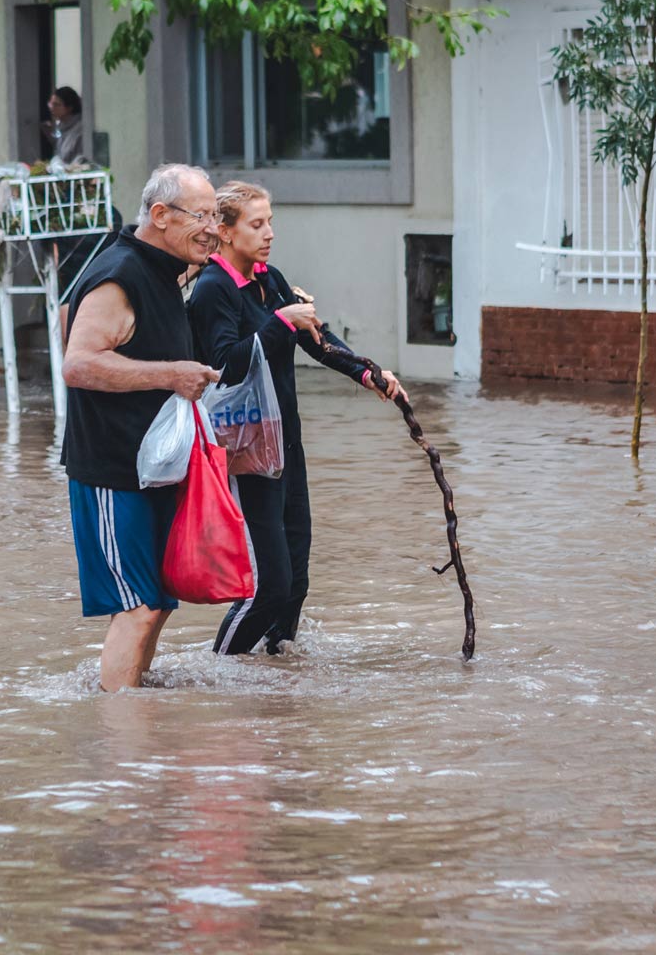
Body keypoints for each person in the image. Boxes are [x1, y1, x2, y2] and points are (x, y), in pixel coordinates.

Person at [187, 181, 406, 657]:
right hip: (243, 453)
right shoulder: (212, 290)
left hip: (286, 446)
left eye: (271, 223)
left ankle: (277, 680)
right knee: (269, 586)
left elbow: (317, 340)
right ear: (224, 232)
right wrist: (280, 320)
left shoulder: (270, 279)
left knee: (296, 582)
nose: (269, 234)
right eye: (257, 224)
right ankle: (218, 672)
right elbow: (225, 365)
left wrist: (369, 373)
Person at [60, 164, 223, 691]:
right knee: (136, 607)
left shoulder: (161, 269)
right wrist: (172, 375)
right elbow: (78, 363)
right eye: (202, 217)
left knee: (157, 603)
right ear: (159, 215)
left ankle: (141, 729)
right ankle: (121, 743)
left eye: (217, 217)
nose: (214, 230)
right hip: (113, 467)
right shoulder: (121, 272)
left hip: (154, 468)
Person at [46, 86, 87, 165]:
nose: (52, 108)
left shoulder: (79, 129)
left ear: (69, 108)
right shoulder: (62, 129)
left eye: (56, 105)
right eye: (51, 104)